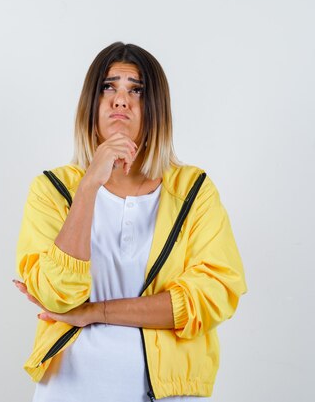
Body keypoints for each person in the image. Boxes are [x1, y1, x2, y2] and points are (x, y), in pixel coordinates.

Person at [13, 42, 247, 402]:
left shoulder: (194, 191)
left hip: (170, 394)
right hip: (70, 390)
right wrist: (90, 184)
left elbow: (212, 297)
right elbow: (56, 295)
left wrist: (96, 312)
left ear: (157, 109)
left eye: (136, 90)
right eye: (109, 87)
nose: (120, 101)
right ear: (91, 102)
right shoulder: (52, 189)